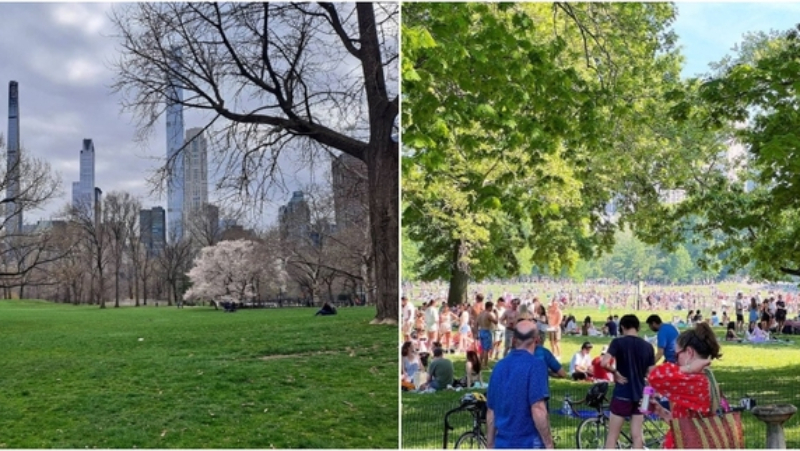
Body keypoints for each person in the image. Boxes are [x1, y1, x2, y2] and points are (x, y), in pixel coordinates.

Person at [647, 322, 723, 449]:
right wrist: (663, 413)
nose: (675, 361)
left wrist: (687, 368)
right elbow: (686, 423)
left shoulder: (696, 381)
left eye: (676, 355)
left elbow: (654, 375)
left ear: (689, 352)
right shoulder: (706, 377)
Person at [486, 320, 554, 449]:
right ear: (537, 340)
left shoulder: (499, 367)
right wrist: (549, 444)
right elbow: (538, 408)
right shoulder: (536, 366)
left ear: (513, 340)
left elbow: (491, 411)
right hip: (528, 442)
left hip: (502, 442)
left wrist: (490, 444)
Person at [601, 314, 655, 449]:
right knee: (637, 435)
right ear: (638, 327)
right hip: (641, 394)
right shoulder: (648, 347)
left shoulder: (618, 342)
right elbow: (652, 373)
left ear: (622, 327)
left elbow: (604, 362)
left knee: (613, 435)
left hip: (622, 392)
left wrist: (614, 372)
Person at [477, 301, 498, 367]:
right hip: (487, 331)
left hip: (481, 331)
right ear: (489, 307)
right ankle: (485, 364)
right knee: (486, 349)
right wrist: (497, 315)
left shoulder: (481, 313)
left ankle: (480, 363)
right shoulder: (488, 314)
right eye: (492, 307)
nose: (492, 308)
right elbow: (496, 322)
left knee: (482, 348)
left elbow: (476, 323)